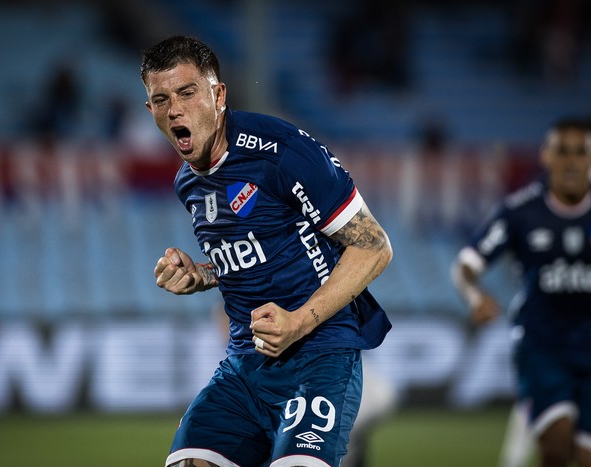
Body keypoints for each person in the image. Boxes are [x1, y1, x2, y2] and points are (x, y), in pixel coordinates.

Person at [141, 35, 393, 467]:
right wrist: (200, 274)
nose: (174, 109)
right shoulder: (189, 182)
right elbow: (261, 253)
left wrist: (298, 322)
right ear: (150, 111)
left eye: (187, 93)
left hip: (321, 355)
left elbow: (374, 247)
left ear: (218, 95)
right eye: (160, 99)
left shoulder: (284, 153)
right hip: (245, 364)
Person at [451, 117, 591, 467]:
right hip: (542, 347)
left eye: (581, 152)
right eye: (563, 151)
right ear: (546, 156)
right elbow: (466, 265)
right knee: (557, 447)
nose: (571, 161)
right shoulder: (520, 212)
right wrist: (475, 297)